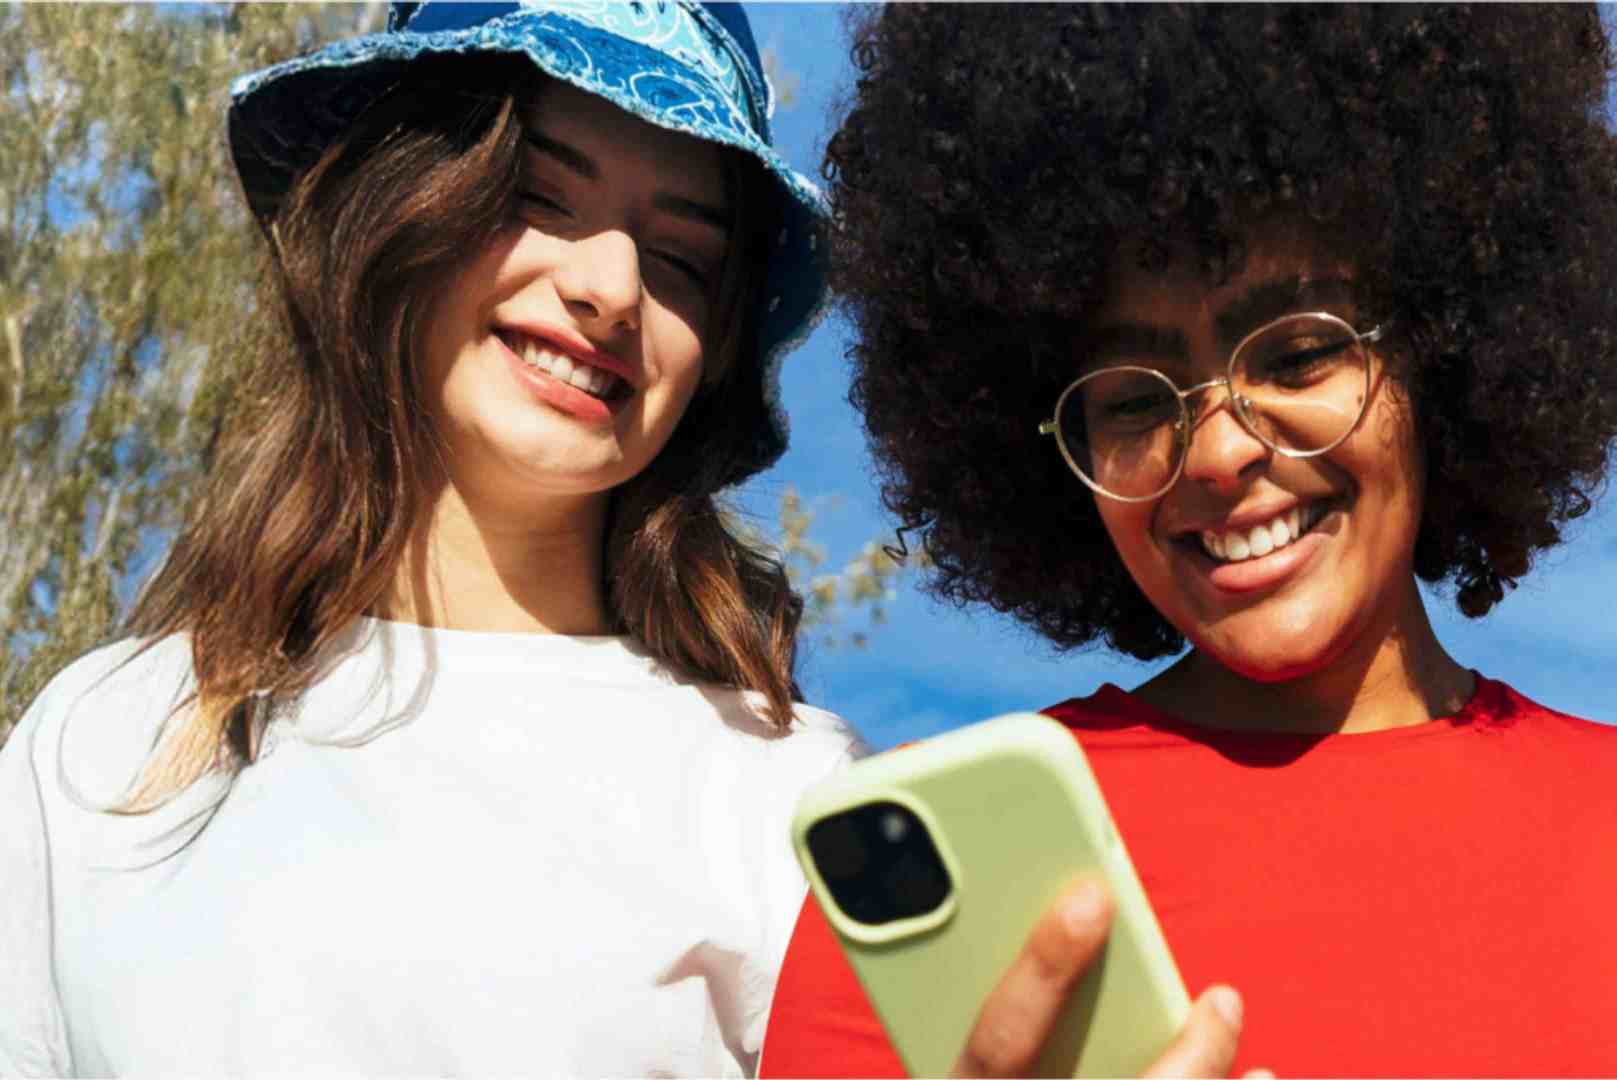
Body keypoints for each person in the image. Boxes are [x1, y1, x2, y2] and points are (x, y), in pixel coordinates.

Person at [0, 4, 864, 1075]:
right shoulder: (100, 740)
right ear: (391, 209)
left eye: (683, 259)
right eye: (536, 195)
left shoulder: (796, 800)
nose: (610, 288)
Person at [761, 4, 1617, 1077]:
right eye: (1132, 402)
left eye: (1300, 355)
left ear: (1446, 347)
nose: (1215, 452)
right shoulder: (950, 900)